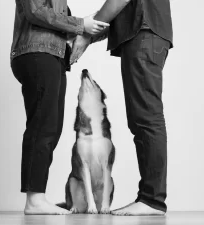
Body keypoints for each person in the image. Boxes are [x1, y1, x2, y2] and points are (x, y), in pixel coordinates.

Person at [70, 0, 173, 216]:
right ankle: (150, 198)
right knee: (142, 119)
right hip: (146, 37)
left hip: (144, 37)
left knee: (146, 118)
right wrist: (88, 30)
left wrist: (88, 32)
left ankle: (152, 200)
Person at [10, 0, 109, 215]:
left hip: (52, 57)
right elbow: (35, 11)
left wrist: (95, 26)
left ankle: (36, 197)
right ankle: (34, 200)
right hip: (37, 53)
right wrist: (81, 24)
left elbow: (61, 26)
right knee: (42, 127)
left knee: (51, 128)